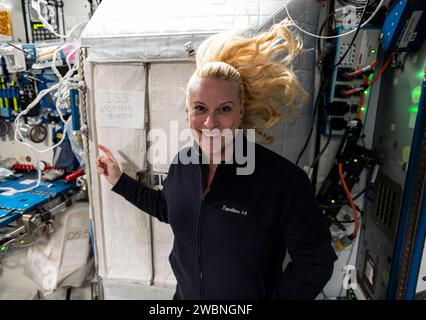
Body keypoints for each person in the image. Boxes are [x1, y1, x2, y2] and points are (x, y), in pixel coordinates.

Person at [96, 19, 337, 300]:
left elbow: (316, 262)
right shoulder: (182, 164)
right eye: (200, 108)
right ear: (187, 111)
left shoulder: (282, 181)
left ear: (240, 112)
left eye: (224, 108)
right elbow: (168, 207)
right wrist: (118, 181)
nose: (210, 122)